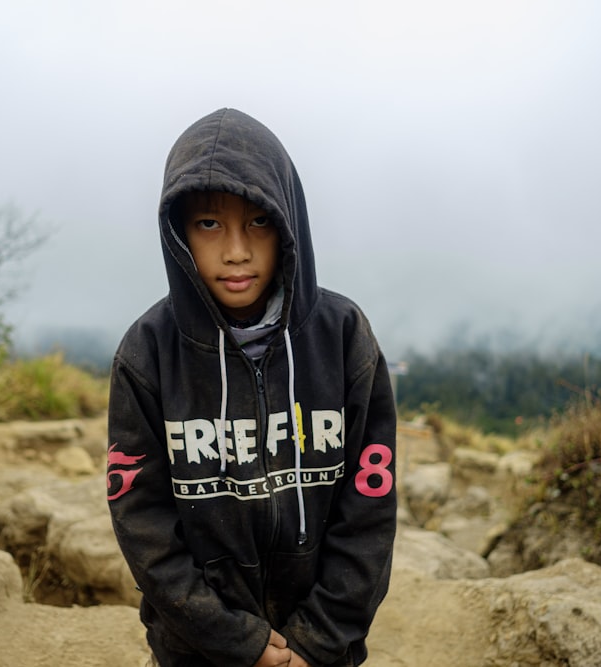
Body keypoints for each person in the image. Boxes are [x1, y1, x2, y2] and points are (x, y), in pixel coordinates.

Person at [107, 108, 397, 667]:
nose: (236, 250)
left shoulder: (342, 338)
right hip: (197, 652)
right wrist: (237, 641)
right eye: (209, 224)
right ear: (178, 231)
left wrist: (315, 641)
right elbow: (143, 524)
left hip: (324, 652)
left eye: (258, 222)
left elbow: (369, 512)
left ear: (288, 224)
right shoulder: (148, 353)